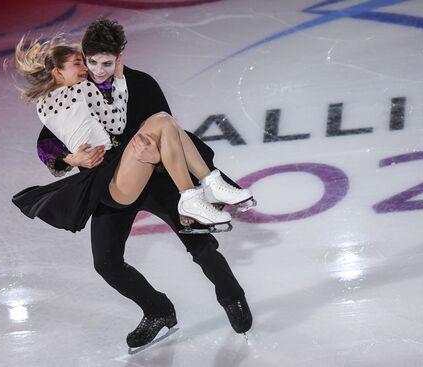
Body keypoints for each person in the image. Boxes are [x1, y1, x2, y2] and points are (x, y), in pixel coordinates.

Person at [15, 18, 253, 348]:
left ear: (119, 57)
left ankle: (231, 296)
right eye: (88, 61)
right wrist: (71, 159)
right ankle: (158, 310)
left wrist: (152, 151)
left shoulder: (140, 84)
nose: (94, 69)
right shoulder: (76, 90)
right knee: (106, 263)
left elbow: (169, 131)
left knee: (197, 241)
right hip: (107, 184)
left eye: (103, 61)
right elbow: (47, 140)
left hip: (156, 177)